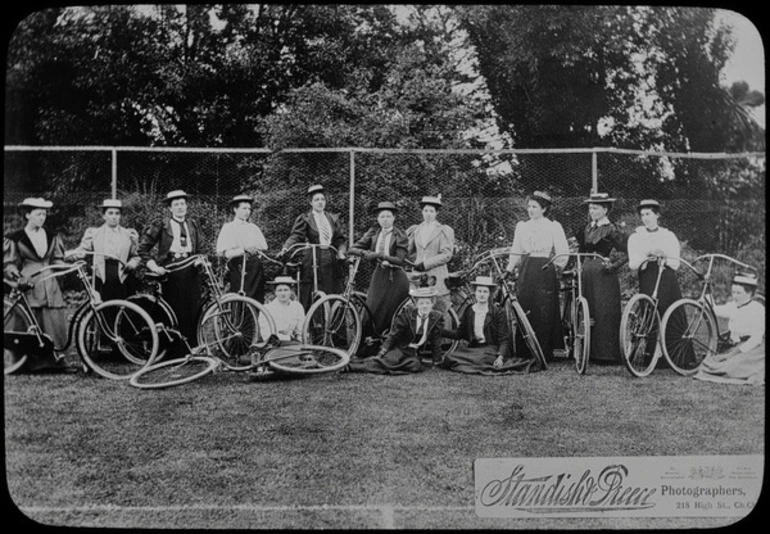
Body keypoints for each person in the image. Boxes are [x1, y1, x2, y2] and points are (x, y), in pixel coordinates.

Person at [3, 197, 68, 371]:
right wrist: (16, 276)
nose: (42, 217)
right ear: (27, 215)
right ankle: (26, 360)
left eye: (44, 214)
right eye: (38, 214)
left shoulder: (52, 235)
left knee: (52, 318)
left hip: (49, 282)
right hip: (28, 281)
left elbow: (58, 259)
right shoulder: (15, 238)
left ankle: (53, 359)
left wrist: (65, 267)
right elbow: (10, 263)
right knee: (29, 317)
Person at [504, 191, 569, 362]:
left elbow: (563, 252)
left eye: (535, 207)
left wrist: (556, 267)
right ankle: (525, 351)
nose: (530, 210)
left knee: (543, 310)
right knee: (525, 306)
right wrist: (509, 269)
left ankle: (544, 351)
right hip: (526, 269)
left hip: (545, 270)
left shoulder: (553, 226)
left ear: (544, 208)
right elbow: (516, 250)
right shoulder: (522, 226)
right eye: (529, 206)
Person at [137, 190, 204, 345]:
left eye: (182, 204)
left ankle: (193, 347)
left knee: (193, 307)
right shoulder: (162, 225)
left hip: (191, 270)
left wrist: (201, 260)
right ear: (170, 208)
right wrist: (153, 266)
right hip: (171, 272)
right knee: (174, 309)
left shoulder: (193, 224)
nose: (180, 207)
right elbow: (143, 249)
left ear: (186, 206)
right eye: (176, 204)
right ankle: (174, 348)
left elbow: (201, 248)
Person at [441, 276, 536, 375]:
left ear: (490, 294)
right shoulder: (469, 310)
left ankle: (475, 363)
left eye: (485, 292)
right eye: (479, 291)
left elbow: (503, 339)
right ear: (475, 292)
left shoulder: (497, 312)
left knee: (481, 358)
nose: (481, 294)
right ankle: (475, 363)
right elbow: (459, 334)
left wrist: (500, 357)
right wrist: (440, 331)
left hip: (492, 349)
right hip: (475, 349)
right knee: (450, 357)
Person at [574, 192, 628, 364]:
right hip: (587, 272)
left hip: (604, 275)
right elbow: (581, 250)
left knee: (604, 312)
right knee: (588, 309)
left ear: (605, 210)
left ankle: (606, 355)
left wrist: (612, 266)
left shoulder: (612, 229)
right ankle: (589, 352)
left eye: (595, 208)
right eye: (590, 208)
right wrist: (578, 266)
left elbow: (627, 252)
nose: (592, 211)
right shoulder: (587, 227)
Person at [346, 286, 445, 374]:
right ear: (416, 304)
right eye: (421, 303)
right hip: (400, 348)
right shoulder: (407, 315)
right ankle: (352, 367)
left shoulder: (436, 318)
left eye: (427, 303)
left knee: (415, 366)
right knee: (391, 360)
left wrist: (437, 361)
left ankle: (385, 366)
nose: (424, 306)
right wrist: (382, 352)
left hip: (413, 354)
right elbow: (393, 335)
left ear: (432, 304)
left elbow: (436, 341)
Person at [348, 201, 409, 340]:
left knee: (390, 312)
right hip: (379, 274)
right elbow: (352, 249)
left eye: (388, 216)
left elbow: (400, 260)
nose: (385, 219)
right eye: (382, 217)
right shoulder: (374, 232)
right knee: (372, 309)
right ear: (378, 218)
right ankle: (369, 346)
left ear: (394, 218)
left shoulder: (400, 234)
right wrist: (366, 254)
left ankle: (389, 344)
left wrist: (381, 256)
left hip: (396, 278)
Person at [280, 184, 347, 311]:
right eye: (317, 200)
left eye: (322, 199)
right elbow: (296, 236)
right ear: (311, 202)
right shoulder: (305, 218)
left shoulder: (332, 218)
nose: (320, 202)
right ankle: (311, 327)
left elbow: (340, 240)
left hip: (331, 259)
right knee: (311, 292)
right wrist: (286, 248)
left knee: (333, 291)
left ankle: (332, 326)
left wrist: (341, 252)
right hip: (313, 259)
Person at [694, 273, 765, 386]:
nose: (735, 296)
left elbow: (756, 339)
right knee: (711, 362)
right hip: (738, 346)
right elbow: (715, 310)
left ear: (750, 293)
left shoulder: (757, 309)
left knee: (731, 366)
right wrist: (707, 291)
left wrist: (733, 354)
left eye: (739, 293)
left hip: (755, 348)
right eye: (733, 292)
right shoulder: (734, 306)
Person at [67, 199, 141, 301]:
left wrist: (132, 263)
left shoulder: (128, 234)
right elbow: (83, 250)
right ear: (104, 216)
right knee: (103, 309)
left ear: (120, 216)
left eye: (117, 213)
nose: (114, 216)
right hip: (102, 276)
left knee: (125, 309)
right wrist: (67, 255)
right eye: (110, 213)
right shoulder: (94, 233)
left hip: (123, 275)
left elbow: (136, 255)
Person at [627, 199, 683, 315]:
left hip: (666, 277)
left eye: (648, 214)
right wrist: (647, 254)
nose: (645, 218)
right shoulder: (636, 236)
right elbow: (633, 263)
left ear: (657, 215)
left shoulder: (668, 235)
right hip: (648, 276)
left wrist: (664, 255)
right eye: (642, 215)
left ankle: (672, 332)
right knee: (650, 312)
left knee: (671, 312)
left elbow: (676, 263)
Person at [406, 195, 455, 315]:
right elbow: (409, 252)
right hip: (419, 277)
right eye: (426, 210)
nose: (428, 214)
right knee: (416, 307)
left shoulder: (443, 230)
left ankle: (441, 333)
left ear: (436, 213)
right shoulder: (416, 230)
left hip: (436, 275)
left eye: (431, 211)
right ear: (422, 212)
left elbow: (446, 254)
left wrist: (426, 264)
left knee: (439, 309)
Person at [216, 194, 269, 303]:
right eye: (244, 208)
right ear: (235, 209)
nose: (247, 212)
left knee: (256, 298)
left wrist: (253, 248)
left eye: (249, 209)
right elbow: (224, 253)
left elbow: (264, 246)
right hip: (238, 267)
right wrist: (243, 249)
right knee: (240, 297)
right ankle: (239, 319)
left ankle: (254, 319)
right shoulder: (228, 228)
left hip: (254, 267)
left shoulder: (253, 228)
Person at [258, 276, 306, 343]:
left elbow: (301, 329)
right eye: (279, 290)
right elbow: (265, 332)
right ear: (275, 292)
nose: (283, 293)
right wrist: (286, 337)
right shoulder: (267, 309)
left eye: (286, 290)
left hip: (294, 345)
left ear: (291, 291)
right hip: (274, 344)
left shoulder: (297, 307)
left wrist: (299, 340)